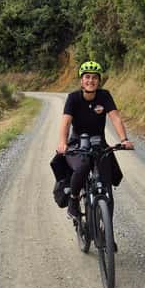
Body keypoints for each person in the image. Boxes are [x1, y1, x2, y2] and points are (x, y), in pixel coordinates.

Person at [56, 61, 134, 220]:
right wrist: (62, 143)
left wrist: (124, 139)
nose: (90, 80)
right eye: (87, 77)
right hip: (78, 143)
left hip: (99, 144)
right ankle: (73, 201)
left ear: (99, 81)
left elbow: (115, 118)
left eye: (94, 78)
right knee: (82, 167)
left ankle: (107, 236)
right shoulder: (73, 98)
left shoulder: (104, 96)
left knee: (107, 186)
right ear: (81, 80)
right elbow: (65, 122)